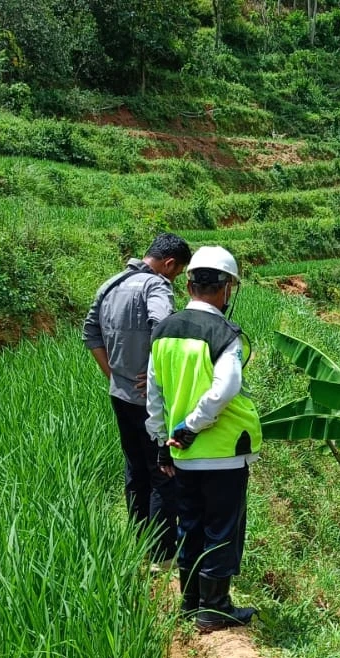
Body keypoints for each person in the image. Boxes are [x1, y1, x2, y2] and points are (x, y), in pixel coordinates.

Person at [146, 246, 261, 633]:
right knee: (221, 529)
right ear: (226, 288)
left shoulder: (163, 331)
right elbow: (225, 388)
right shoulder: (224, 333)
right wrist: (193, 426)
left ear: (191, 283)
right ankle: (214, 609)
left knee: (189, 525)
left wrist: (164, 439)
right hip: (221, 452)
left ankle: (190, 601)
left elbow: (155, 395)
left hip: (181, 454)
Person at [84, 233, 191, 562]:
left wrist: (113, 374)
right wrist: (156, 377)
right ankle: (161, 553)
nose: (174, 279)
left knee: (135, 469)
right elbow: (163, 327)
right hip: (149, 401)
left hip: (119, 394)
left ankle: (140, 541)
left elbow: (90, 332)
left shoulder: (111, 284)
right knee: (162, 473)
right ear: (169, 264)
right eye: (177, 273)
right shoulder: (155, 286)